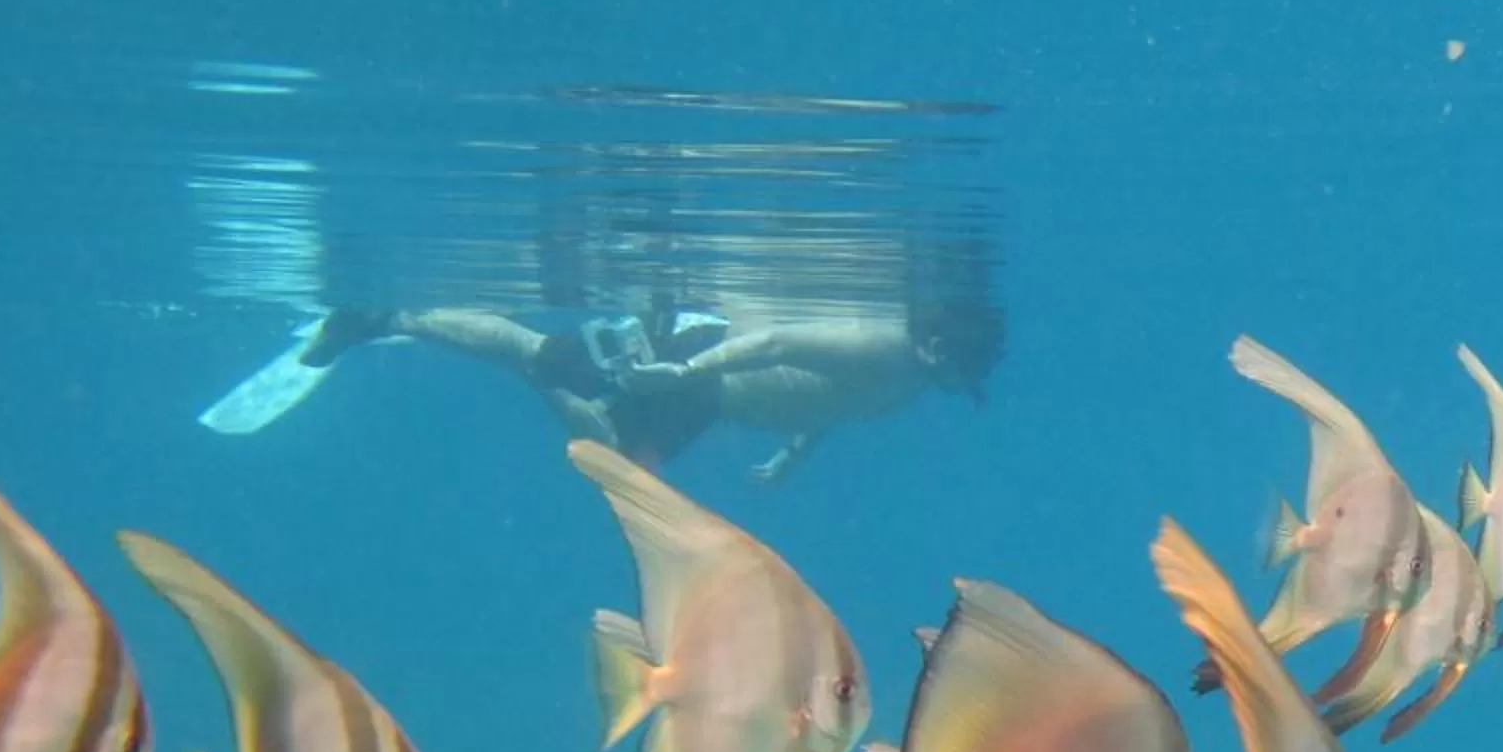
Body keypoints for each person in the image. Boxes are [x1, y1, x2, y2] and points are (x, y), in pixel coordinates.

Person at [294, 271, 1004, 480]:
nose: (966, 380)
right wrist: (676, 371)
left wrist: (792, 455)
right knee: (540, 361)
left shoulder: (911, 379)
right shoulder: (886, 347)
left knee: (617, 464)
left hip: (701, 393)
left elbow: (834, 406)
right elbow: (775, 340)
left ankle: (408, 322)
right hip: (696, 371)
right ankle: (390, 317)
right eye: (968, 364)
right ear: (942, 346)